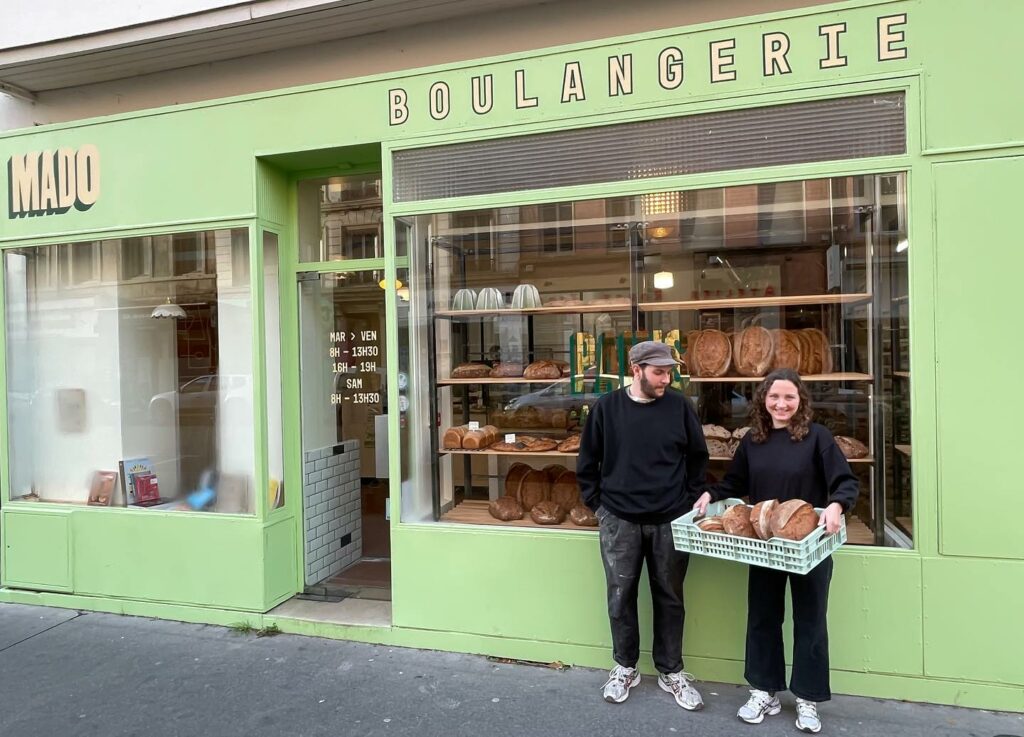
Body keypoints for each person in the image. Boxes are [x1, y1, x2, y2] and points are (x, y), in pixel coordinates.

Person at [692, 368, 859, 734]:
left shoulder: (818, 438)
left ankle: (807, 697)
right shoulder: (754, 440)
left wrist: (836, 506)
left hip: (807, 545)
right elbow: (735, 483)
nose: (781, 404)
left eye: (788, 397)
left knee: (810, 621)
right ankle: (763, 689)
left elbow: (844, 482)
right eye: (774, 397)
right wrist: (710, 494)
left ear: (800, 401)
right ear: (762, 401)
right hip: (765, 545)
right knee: (763, 618)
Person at [577, 341, 709, 711]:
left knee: (670, 596)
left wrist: (692, 498)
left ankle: (670, 671)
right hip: (619, 519)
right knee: (621, 596)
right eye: (658, 372)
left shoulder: (679, 406)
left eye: (669, 372)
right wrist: (599, 508)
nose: (666, 378)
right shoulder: (607, 408)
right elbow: (588, 461)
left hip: (670, 518)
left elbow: (698, 455)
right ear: (636, 369)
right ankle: (625, 667)